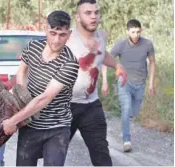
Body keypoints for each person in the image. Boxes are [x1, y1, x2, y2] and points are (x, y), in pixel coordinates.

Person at [2, 11, 80, 166]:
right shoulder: (33, 46)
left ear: (69, 33)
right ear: (46, 29)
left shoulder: (70, 63)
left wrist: (13, 121)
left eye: (62, 35)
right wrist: (22, 98)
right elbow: (22, 71)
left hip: (57, 128)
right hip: (30, 126)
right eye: (53, 33)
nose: (57, 40)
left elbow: (45, 98)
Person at [65, 0, 127, 166]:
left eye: (96, 12)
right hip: (64, 106)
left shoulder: (102, 35)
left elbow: (102, 53)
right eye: (88, 13)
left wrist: (116, 65)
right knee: (55, 154)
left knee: (101, 154)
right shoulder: (67, 37)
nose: (94, 16)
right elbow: (45, 54)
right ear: (77, 17)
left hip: (91, 105)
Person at [102, 19, 156, 152]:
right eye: (133, 32)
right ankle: (127, 140)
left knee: (134, 111)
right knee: (126, 110)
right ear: (127, 32)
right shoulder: (120, 45)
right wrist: (104, 81)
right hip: (124, 83)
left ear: (141, 31)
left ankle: (128, 119)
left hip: (140, 83)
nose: (136, 35)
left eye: (138, 32)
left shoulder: (147, 44)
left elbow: (153, 63)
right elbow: (105, 61)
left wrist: (151, 83)